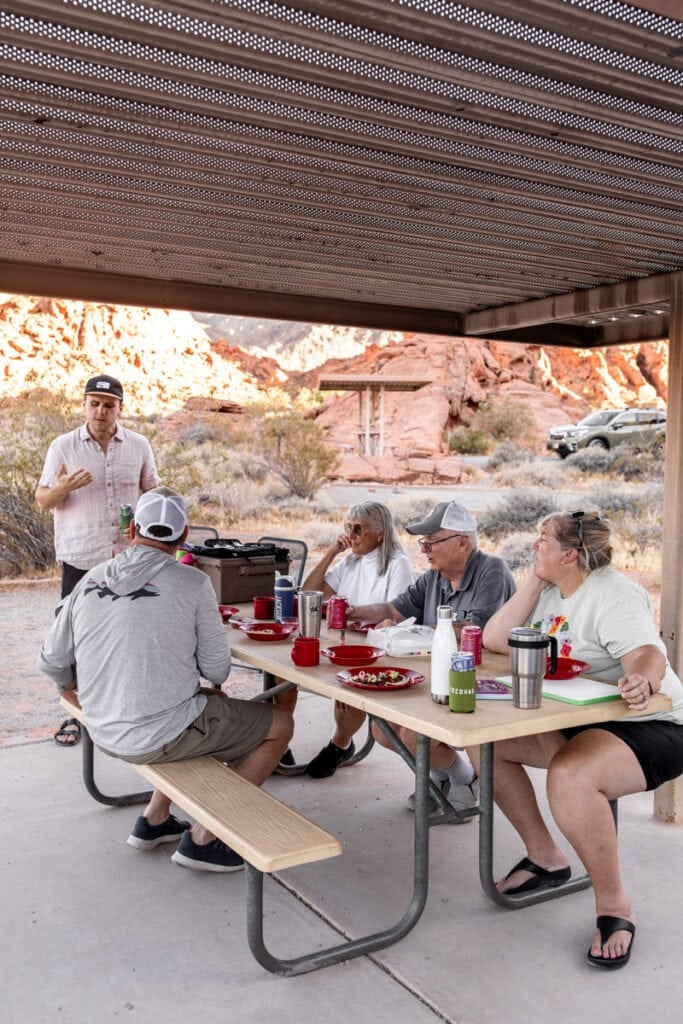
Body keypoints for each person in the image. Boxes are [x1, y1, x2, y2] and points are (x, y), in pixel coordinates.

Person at [38, 486, 293, 873]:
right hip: (156, 734)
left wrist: (75, 691)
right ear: (184, 535)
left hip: (102, 727)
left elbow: (53, 661)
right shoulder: (192, 583)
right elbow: (218, 671)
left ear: (132, 530)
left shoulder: (89, 580)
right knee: (279, 724)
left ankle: (154, 819)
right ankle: (207, 838)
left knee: (192, 704)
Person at [481, 510, 683, 969]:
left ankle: (614, 906)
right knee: (489, 742)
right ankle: (546, 858)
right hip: (582, 717)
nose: (535, 545)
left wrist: (642, 681)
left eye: (543, 540)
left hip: (649, 723)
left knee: (570, 776)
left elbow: (649, 652)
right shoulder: (550, 590)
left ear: (569, 553)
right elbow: (495, 638)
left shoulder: (612, 593)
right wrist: (534, 581)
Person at [346, 501, 516, 816]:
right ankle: (449, 776)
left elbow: (477, 629)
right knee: (382, 730)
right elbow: (393, 610)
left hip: (481, 683)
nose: (424, 549)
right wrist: (352, 611)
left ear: (462, 542)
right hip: (435, 678)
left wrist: (417, 631)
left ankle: (461, 779)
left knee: (412, 735)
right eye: (423, 543)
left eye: (431, 542)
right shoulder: (433, 577)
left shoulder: (493, 570)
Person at [36, 374, 160, 745]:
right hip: (82, 556)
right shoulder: (63, 446)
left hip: (128, 557)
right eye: (94, 403)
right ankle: (75, 716)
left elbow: (153, 492)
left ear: (121, 408)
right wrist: (65, 487)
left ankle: (127, 711)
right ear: (84, 405)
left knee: (131, 633)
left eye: (109, 405)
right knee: (73, 639)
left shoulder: (138, 445)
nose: (101, 411)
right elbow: (43, 500)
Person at [300, 501, 416, 778]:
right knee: (289, 671)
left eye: (358, 529)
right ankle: (280, 748)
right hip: (342, 639)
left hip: (377, 646)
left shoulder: (398, 564)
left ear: (380, 533)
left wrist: (357, 613)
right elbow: (309, 593)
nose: (350, 534)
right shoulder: (349, 561)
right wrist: (332, 551)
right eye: (347, 527)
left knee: (351, 677)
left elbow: (397, 614)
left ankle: (340, 742)